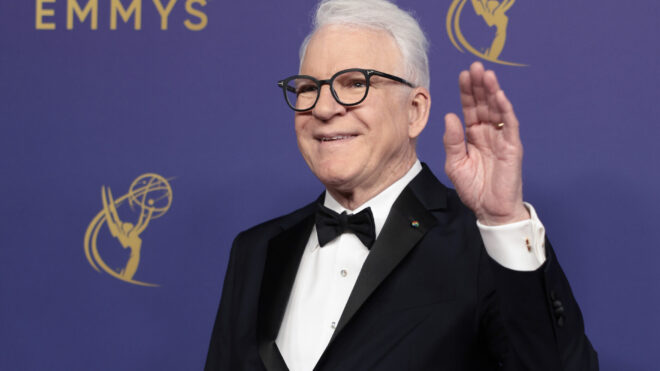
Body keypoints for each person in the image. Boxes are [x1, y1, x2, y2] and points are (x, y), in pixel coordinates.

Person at [205, 0, 598, 369]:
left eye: (354, 83)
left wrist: (504, 221)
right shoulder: (254, 251)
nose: (323, 109)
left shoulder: (483, 244)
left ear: (415, 111)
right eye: (308, 88)